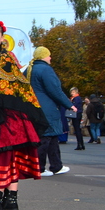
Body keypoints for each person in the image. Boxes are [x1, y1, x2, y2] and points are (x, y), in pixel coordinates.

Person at [0, 19, 47, 210]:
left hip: (5, 117)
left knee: (0, 156)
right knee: (8, 157)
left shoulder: (4, 58)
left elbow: (0, 88)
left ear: (2, 37)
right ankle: (11, 200)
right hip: (1, 115)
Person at [25, 46, 72, 177]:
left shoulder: (29, 69)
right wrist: (69, 104)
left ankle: (56, 166)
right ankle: (39, 168)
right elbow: (55, 90)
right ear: (44, 56)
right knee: (45, 138)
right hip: (47, 109)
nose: (50, 58)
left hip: (33, 108)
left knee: (52, 138)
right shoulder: (46, 70)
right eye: (49, 55)